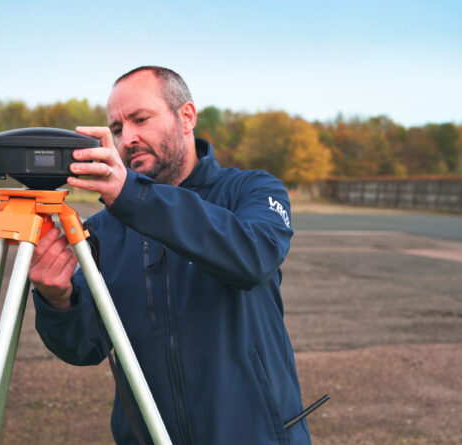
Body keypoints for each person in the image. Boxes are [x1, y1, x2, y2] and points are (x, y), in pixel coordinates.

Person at [29, 66, 310, 445]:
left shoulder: (253, 190)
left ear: (186, 116)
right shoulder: (105, 229)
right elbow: (83, 346)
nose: (128, 138)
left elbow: (253, 256)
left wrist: (133, 196)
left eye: (140, 119)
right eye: (116, 129)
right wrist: (58, 300)